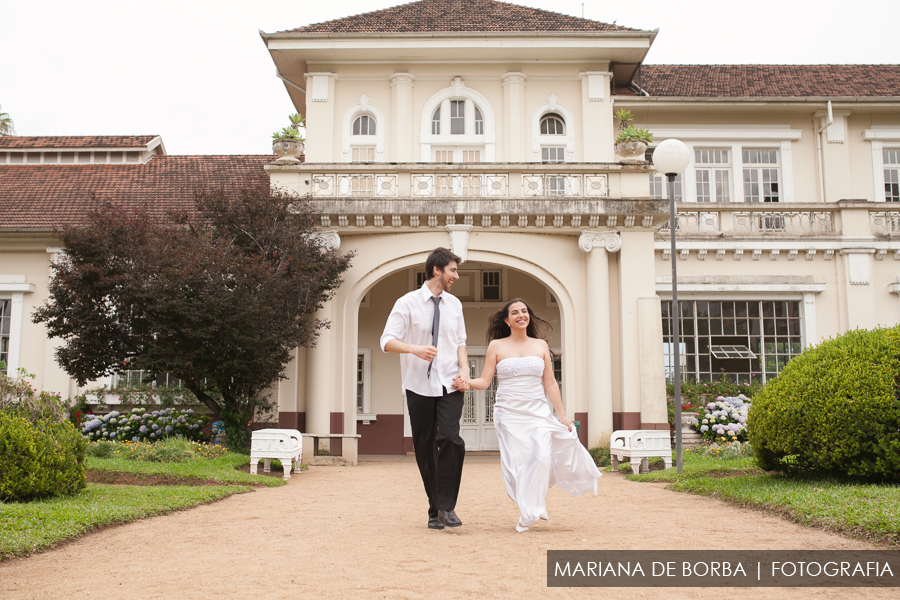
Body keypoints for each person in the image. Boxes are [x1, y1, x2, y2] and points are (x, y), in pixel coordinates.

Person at [459, 298, 600, 532]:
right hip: (508, 413)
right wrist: (466, 382)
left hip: (537, 412)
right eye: (514, 312)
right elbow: (485, 381)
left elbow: (551, 384)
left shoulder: (540, 346)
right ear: (507, 320)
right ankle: (531, 505)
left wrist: (562, 415)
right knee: (517, 463)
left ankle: (533, 505)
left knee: (543, 457)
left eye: (524, 310)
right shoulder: (496, 345)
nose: (520, 315)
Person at [380, 247, 470, 530]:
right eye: (453, 270)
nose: (456, 275)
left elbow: (460, 342)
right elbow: (386, 341)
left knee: (452, 439)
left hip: (451, 383)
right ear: (437, 270)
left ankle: (447, 505)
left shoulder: (455, 305)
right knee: (425, 447)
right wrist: (413, 349)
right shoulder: (406, 303)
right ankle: (435, 509)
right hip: (419, 385)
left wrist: (466, 370)